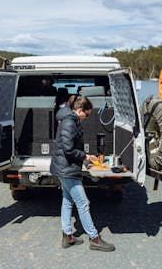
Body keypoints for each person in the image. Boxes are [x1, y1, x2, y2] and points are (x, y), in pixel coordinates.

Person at [50, 96, 115, 251]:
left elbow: (70, 146)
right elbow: (68, 149)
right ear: (79, 111)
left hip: (64, 167)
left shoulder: (70, 120)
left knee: (67, 201)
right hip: (67, 169)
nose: (87, 118)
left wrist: (86, 157)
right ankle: (94, 238)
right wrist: (85, 156)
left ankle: (68, 236)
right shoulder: (70, 122)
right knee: (83, 203)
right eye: (87, 114)